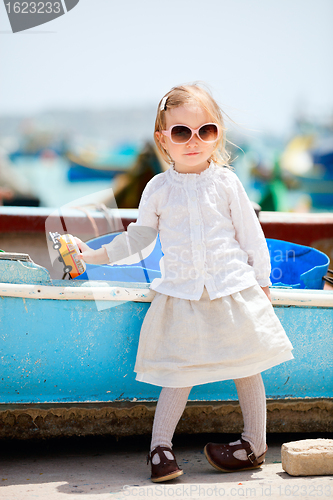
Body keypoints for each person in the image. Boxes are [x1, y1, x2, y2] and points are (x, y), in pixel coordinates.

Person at [74, 84, 293, 482]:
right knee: (180, 371)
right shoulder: (158, 189)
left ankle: (254, 445)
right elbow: (138, 238)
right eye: (181, 132)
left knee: (247, 365)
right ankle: (160, 448)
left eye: (205, 131)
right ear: (163, 139)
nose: (194, 141)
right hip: (183, 292)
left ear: (217, 134)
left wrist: (262, 284)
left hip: (232, 287)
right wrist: (94, 255)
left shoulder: (226, 183)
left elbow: (250, 235)